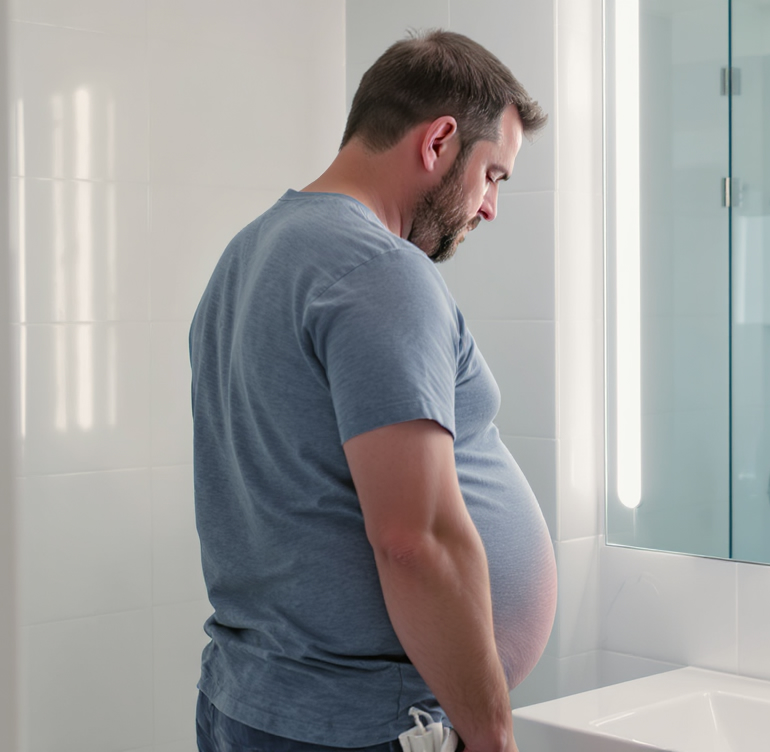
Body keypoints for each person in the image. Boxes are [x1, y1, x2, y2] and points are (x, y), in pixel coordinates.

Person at [189, 31, 555, 752]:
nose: (489, 208)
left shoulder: (250, 254)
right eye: (493, 176)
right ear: (439, 141)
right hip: (360, 724)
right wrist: (491, 735)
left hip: (257, 702)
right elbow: (414, 540)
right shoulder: (379, 269)